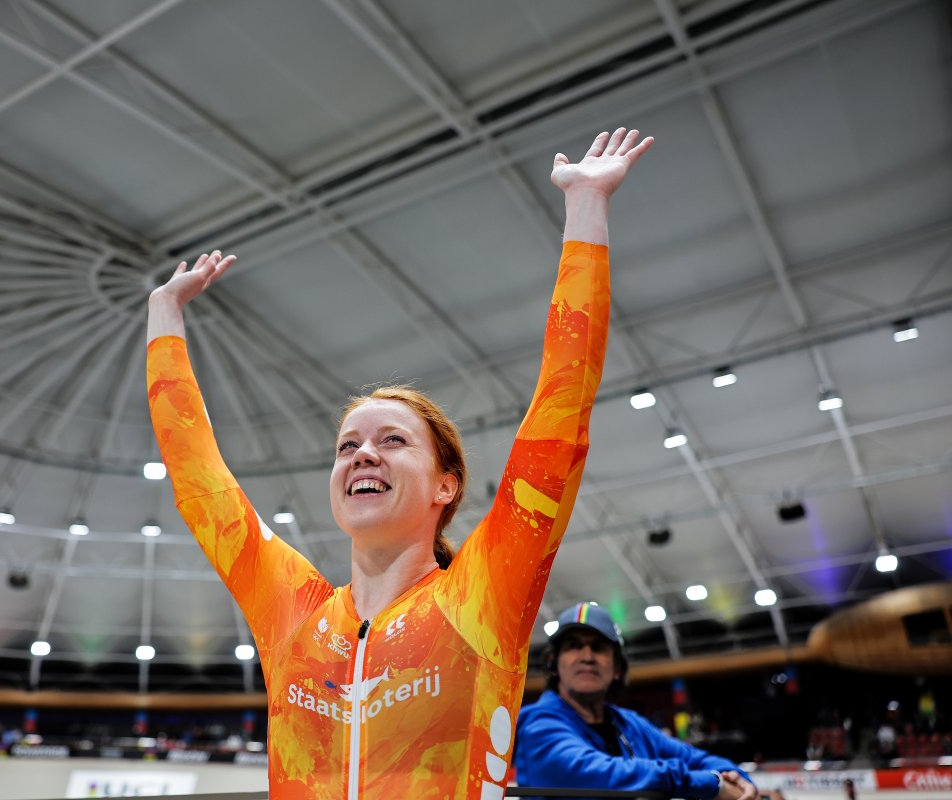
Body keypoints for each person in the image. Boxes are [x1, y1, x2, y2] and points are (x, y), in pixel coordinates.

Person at [145, 128, 652, 799]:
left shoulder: (482, 597)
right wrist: (163, 314)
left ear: (446, 485)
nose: (362, 452)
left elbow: (560, 421)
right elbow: (198, 478)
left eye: (392, 441)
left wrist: (586, 205)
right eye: (347, 445)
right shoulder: (293, 614)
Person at [514, 602, 758, 800]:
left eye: (598, 647)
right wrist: (711, 784)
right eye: (573, 646)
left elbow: (697, 758)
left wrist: (737, 779)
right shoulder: (537, 723)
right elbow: (596, 774)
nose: (587, 656)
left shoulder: (629, 723)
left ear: (617, 669)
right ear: (553, 663)